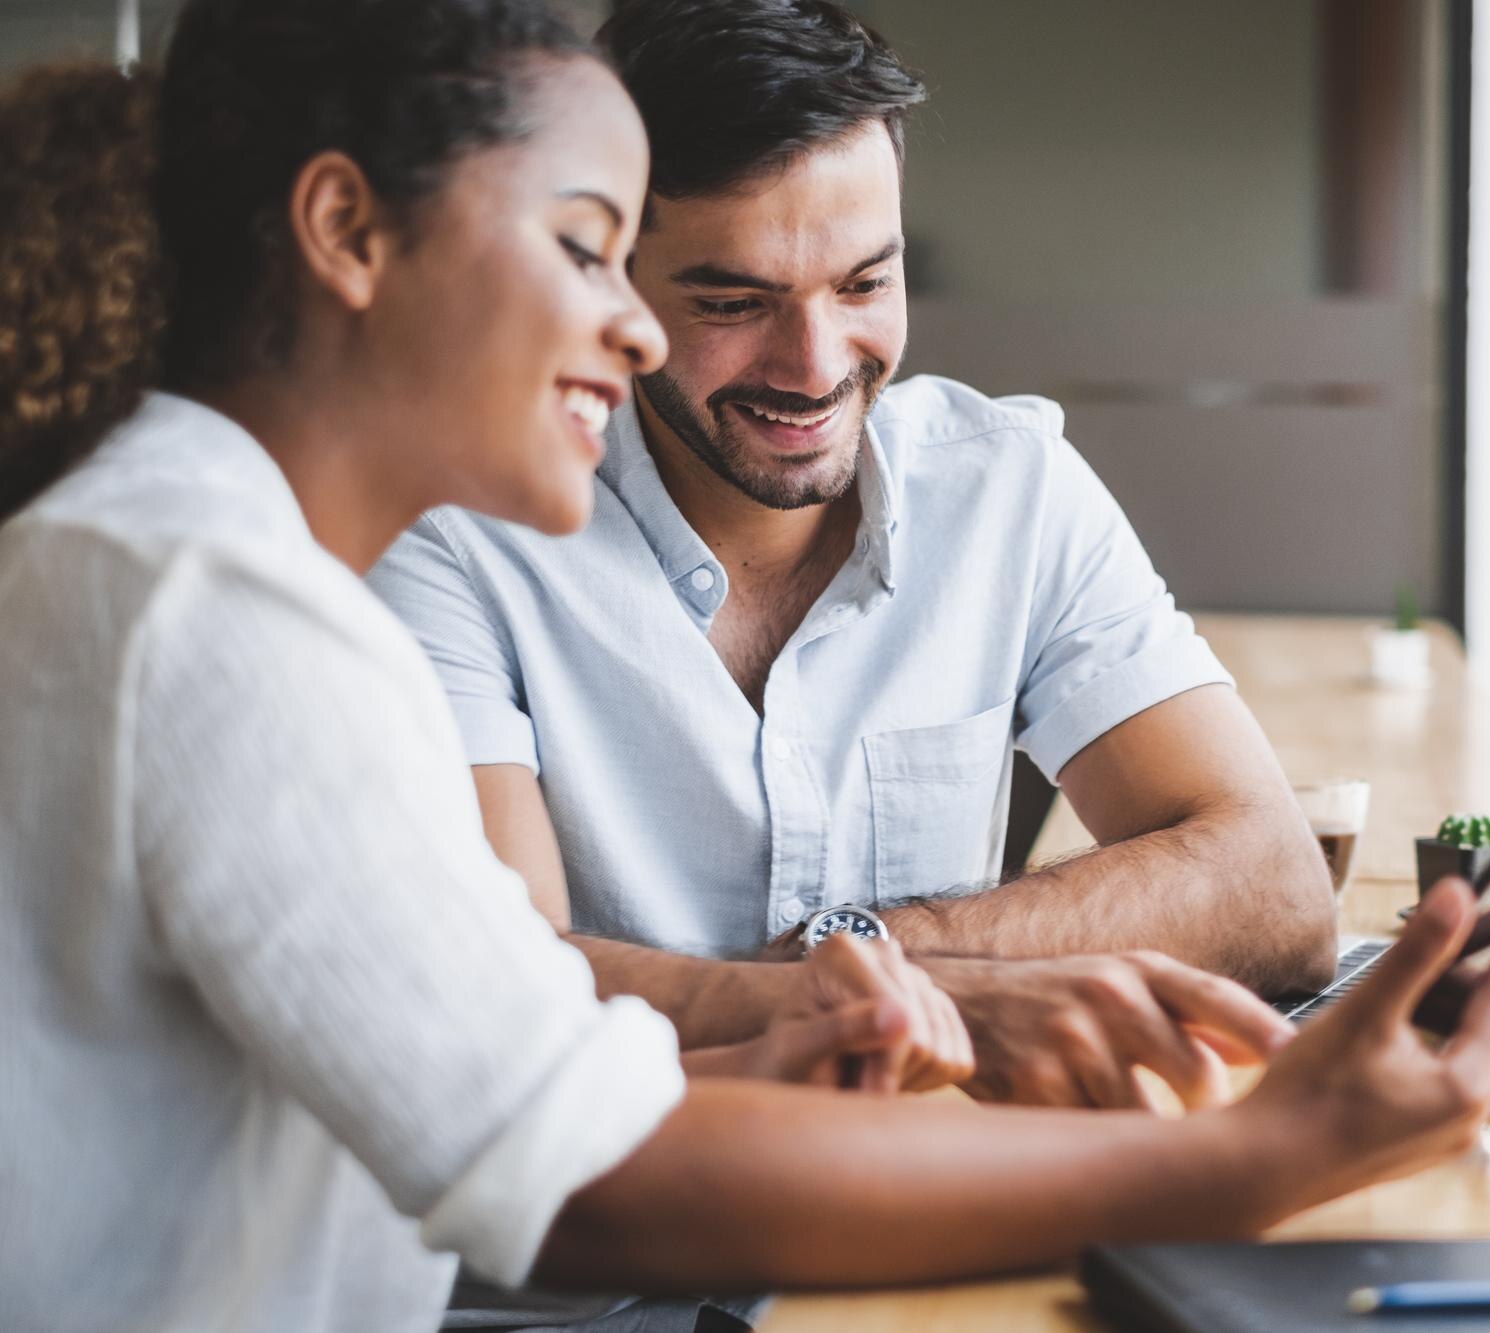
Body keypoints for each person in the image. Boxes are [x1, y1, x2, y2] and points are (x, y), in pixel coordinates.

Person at [0, 2, 1490, 1330]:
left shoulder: (190, 560)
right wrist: (1263, 1157)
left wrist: (782, 1027)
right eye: (589, 252)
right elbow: (577, 1178)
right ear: (346, 233)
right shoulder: (217, 604)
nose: (627, 334)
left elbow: (523, 1062)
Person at [368, 0, 1337, 1110]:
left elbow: (1274, 889)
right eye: (733, 301)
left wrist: (868, 950)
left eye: (864, 284)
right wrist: (929, 993)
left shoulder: (1001, 485)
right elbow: (497, 984)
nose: (816, 365)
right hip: (603, 1267)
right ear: (605, 280)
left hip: (906, 1209)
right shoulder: (450, 539)